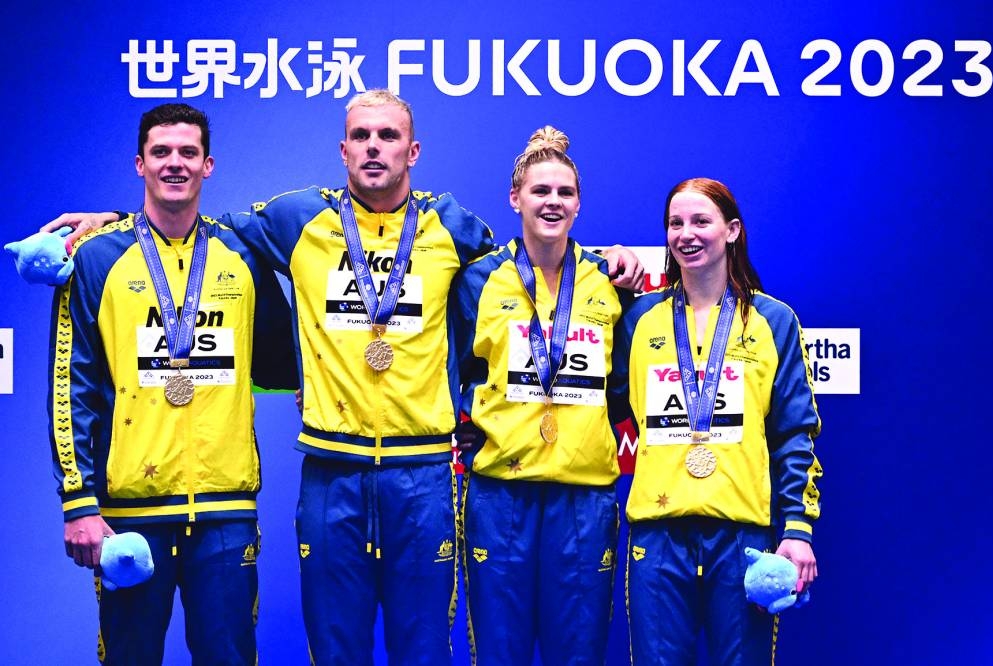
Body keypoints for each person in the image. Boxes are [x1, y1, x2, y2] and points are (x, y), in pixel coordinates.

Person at [45, 90, 644, 665]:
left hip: (424, 475)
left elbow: (531, 263)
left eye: (389, 135)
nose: (374, 147)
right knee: (335, 650)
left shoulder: (452, 226)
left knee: (425, 651)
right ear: (343, 150)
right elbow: (189, 226)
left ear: (413, 152)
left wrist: (604, 261)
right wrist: (116, 221)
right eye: (361, 135)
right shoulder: (300, 217)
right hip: (332, 473)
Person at [50, 103, 296, 664]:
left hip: (226, 513)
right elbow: (71, 386)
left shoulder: (244, 256)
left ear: (208, 165)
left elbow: (285, 365)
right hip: (130, 518)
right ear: (140, 163)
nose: (175, 163)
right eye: (161, 152)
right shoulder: (94, 258)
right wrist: (78, 500)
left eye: (188, 152)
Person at [613, 177, 823, 665]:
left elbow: (795, 434)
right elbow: (600, 408)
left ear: (731, 231)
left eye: (701, 221)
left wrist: (796, 528)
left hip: (743, 535)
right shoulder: (640, 319)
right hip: (658, 535)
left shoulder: (773, 321)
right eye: (675, 223)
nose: (686, 234)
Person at [450, 126, 632, 665]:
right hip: (500, 496)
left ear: (578, 203)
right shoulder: (477, 280)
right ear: (515, 199)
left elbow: (623, 389)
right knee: (500, 652)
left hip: (584, 499)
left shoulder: (607, 280)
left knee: (578, 653)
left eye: (564, 193)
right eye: (540, 191)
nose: (553, 202)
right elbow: (449, 373)